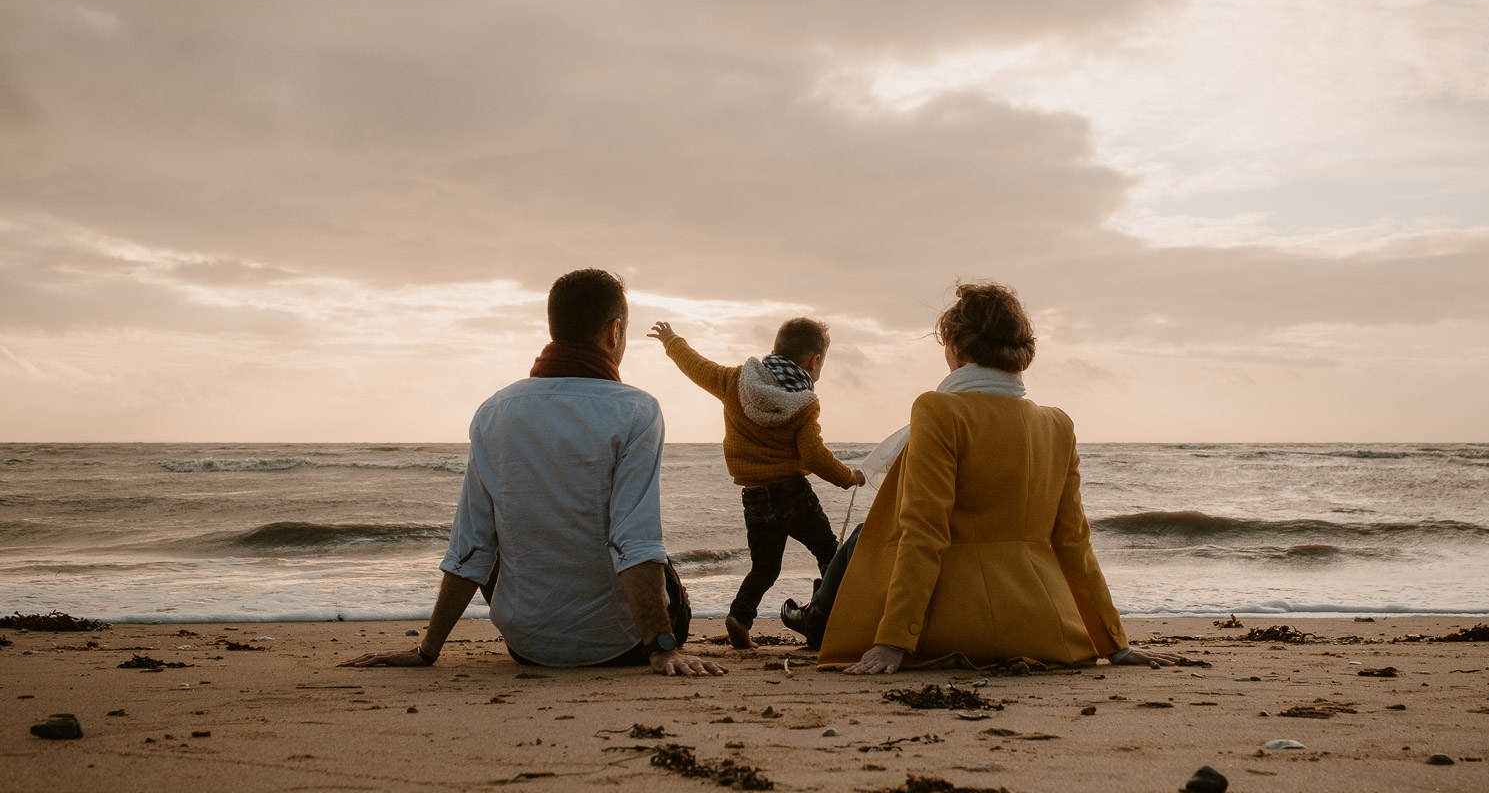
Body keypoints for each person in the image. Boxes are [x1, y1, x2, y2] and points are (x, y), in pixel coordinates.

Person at [339, 269, 723, 677]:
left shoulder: (495, 411)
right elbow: (635, 539)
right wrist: (663, 649)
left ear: (554, 328)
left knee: (509, 541)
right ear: (615, 332)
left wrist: (427, 650)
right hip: (622, 645)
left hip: (529, 645)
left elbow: (471, 545)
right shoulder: (637, 411)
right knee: (661, 563)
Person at [787, 282, 1176, 673]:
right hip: (1043, 630)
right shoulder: (1058, 425)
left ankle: (814, 617)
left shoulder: (938, 410)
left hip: (955, 625)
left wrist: (894, 640)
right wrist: (1115, 643)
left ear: (956, 349)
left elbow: (925, 531)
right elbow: (1073, 541)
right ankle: (816, 616)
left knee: (868, 533)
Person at [648, 317, 865, 649]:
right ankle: (827, 618)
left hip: (755, 497)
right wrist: (849, 477)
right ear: (814, 361)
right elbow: (814, 456)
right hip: (794, 495)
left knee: (764, 566)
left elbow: (696, 366)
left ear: (774, 349)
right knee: (828, 554)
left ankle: (739, 617)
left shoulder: (735, 380)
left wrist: (671, 340)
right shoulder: (805, 403)